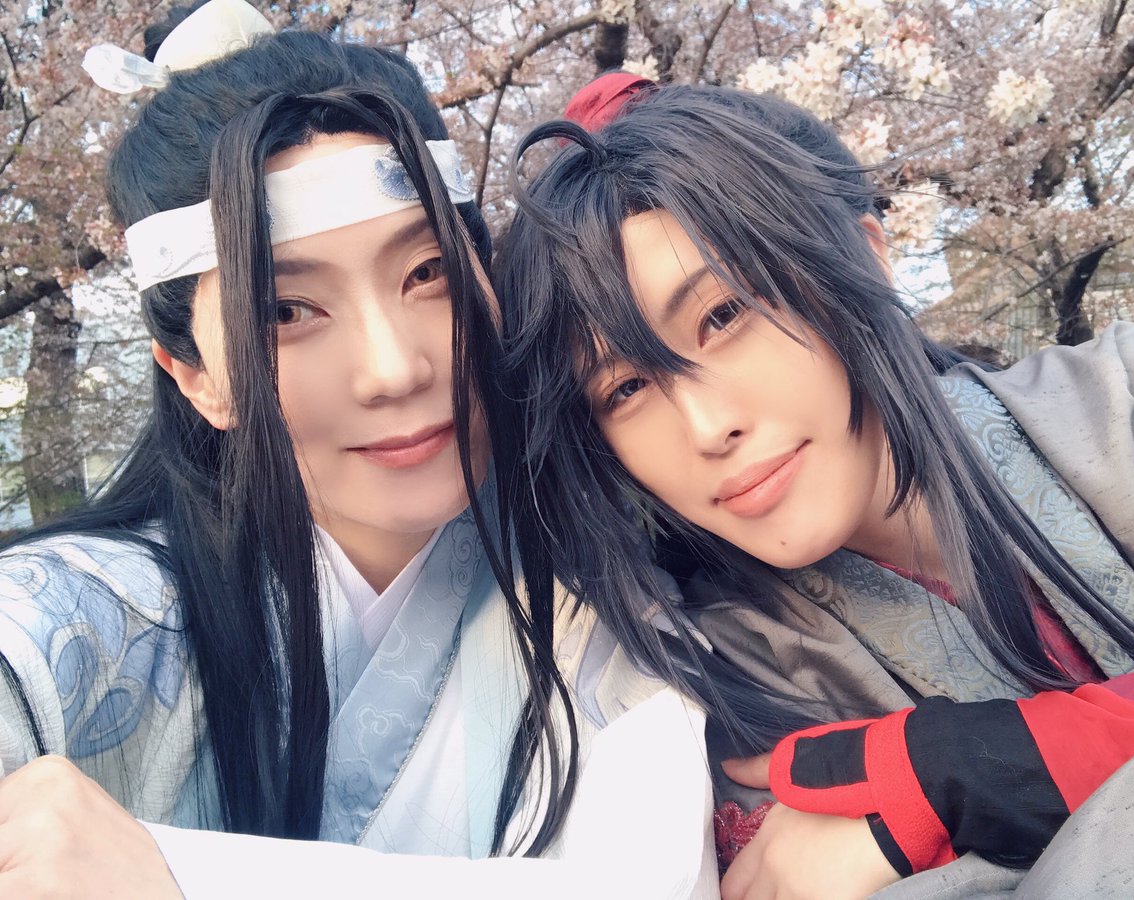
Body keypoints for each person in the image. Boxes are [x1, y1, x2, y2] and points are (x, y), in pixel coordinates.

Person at [0, 4, 717, 897]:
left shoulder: (603, 589)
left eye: (429, 273)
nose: (394, 367)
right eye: (286, 310)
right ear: (195, 377)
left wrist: (187, 878)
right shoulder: (74, 622)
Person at [494, 80, 1134, 899]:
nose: (705, 426)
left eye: (723, 316)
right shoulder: (726, 690)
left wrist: (1008, 762)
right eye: (624, 389)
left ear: (866, 255)